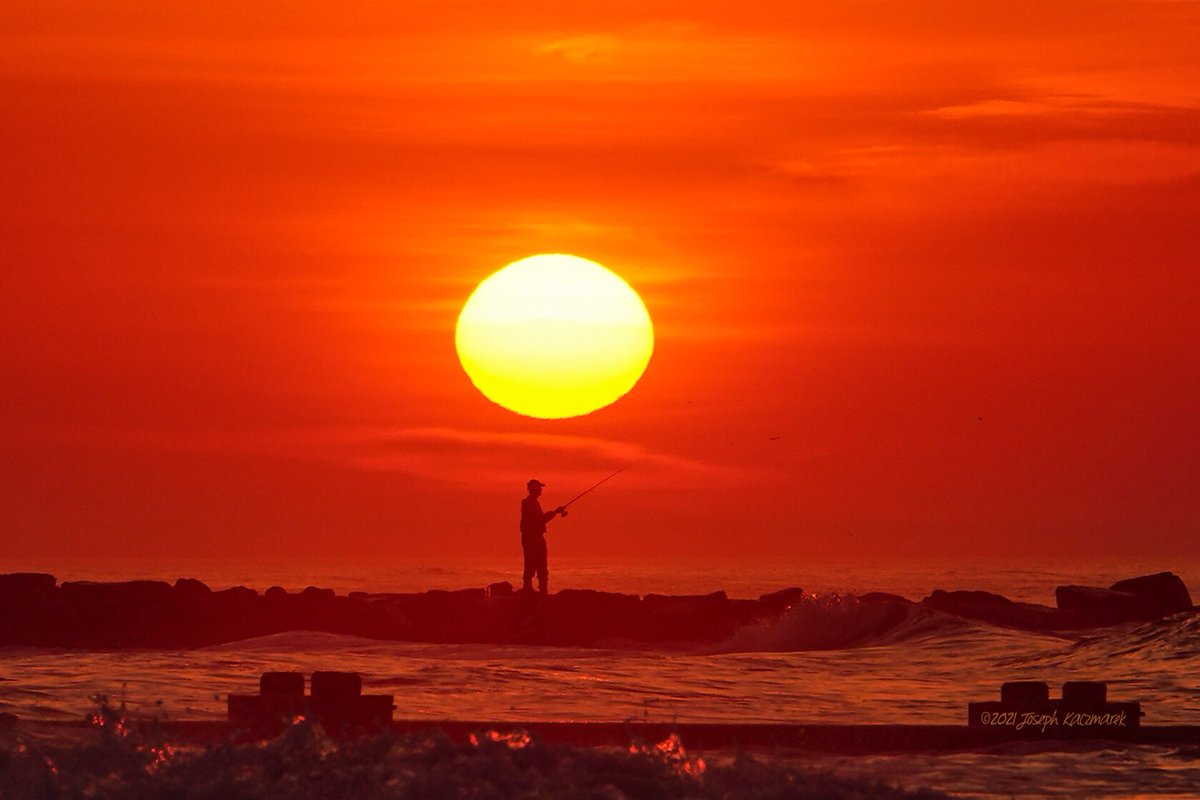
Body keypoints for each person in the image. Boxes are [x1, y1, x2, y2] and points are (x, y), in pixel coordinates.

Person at [520, 479, 566, 593]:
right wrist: (555, 512)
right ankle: (539, 588)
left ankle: (531, 587)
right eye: (539, 488)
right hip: (533, 538)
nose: (541, 490)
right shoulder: (530, 503)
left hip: (530, 537)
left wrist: (555, 512)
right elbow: (540, 519)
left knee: (531, 561)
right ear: (534, 489)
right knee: (539, 562)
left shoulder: (530, 502)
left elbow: (539, 519)